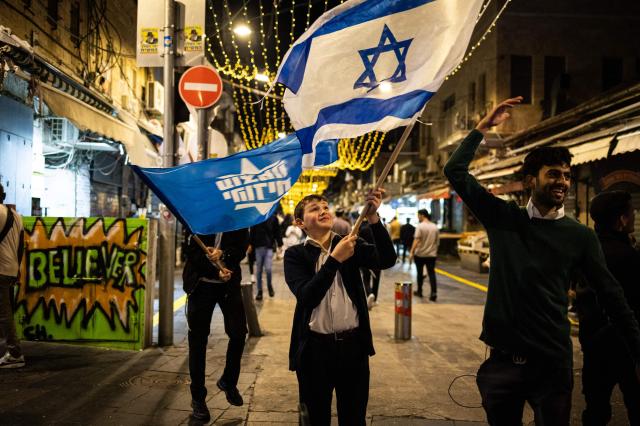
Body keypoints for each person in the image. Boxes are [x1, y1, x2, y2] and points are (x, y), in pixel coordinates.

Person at [444, 97, 640, 426]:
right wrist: (482, 128)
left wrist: (637, 351)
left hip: (552, 364)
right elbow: (455, 171)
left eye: (565, 175)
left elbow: (612, 296)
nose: (562, 181)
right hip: (502, 364)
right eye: (553, 174)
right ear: (531, 180)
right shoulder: (503, 218)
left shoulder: (581, 236)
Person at [284, 189, 396, 425]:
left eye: (325, 206)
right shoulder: (295, 255)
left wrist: (374, 219)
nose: (323, 211)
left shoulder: (350, 244)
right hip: (314, 350)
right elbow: (307, 297)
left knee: (354, 417)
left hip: (353, 348)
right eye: (314, 209)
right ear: (300, 223)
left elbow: (386, 260)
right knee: (315, 418)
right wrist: (334, 259)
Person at [576, 190, 640, 425]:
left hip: (594, 347)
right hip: (626, 347)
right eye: (632, 213)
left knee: (595, 410)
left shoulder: (588, 251)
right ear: (622, 220)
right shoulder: (629, 257)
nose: (634, 217)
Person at [182, 229, 249, 422]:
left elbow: (241, 249)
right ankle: (198, 399)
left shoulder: (238, 218)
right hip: (201, 285)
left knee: (238, 333)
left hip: (229, 284)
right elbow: (192, 252)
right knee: (198, 341)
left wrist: (223, 254)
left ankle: (228, 381)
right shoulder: (201, 215)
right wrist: (215, 271)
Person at [0, 183, 25, 368]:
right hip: (10, 268)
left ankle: (15, 352)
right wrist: (16, 270)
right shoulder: (16, 216)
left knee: (4, 313)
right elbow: (20, 246)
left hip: (0, 269)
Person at [249, 213, 282, 300]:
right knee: (259, 270)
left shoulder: (273, 217)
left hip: (269, 247)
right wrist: (249, 244)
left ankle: (269, 285)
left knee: (268, 269)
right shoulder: (256, 216)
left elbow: (277, 231)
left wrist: (280, 244)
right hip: (258, 246)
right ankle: (259, 291)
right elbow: (252, 230)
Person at [409, 209, 439, 301]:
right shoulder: (435, 227)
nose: (418, 217)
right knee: (432, 274)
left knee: (419, 273)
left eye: (418, 215)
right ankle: (433, 293)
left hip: (420, 254)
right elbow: (437, 242)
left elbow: (416, 240)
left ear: (422, 215)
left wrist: (411, 252)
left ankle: (420, 291)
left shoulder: (420, 226)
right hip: (431, 255)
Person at [359, 220, 381, 308]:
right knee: (377, 279)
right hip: (378, 257)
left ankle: (369, 293)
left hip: (366, 258)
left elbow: (359, 244)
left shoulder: (363, 229)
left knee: (366, 278)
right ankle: (375, 299)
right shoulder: (380, 229)